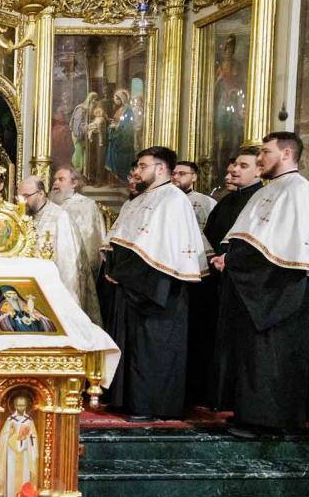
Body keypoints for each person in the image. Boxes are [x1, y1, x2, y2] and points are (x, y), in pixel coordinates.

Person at [212, 132, 309, 434]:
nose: (260, 158)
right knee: (251, 354)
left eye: (266, 152)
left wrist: (233, 261)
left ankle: (268, 421)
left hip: (276, 290)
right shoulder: (270, 190)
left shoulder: (297, 190)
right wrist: (229, 257)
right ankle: (248, 413)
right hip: (254, 287)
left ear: (286, 154)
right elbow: (247, 237)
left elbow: (284, 250)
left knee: (271, 356)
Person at [101, 146, 207, 420]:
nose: (136, 171)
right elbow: (121, 241)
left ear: (161, 169)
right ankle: (126, 400)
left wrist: (123, 273)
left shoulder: (172, 199)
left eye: (142, 166)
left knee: (152, 348)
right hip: (131, 284)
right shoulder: (140, 199)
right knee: (130, 344)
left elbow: (162, 252)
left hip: (156, 288)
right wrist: (113, 268)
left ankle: (149, 405)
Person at [192, 148, 264, 408]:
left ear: (259, 171)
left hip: (244, 283)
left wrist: (230, 259)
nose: (233, 170)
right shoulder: (225, 202)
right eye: (234, 165)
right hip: (217, 279)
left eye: (243, 166)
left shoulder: (259, 200)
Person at [18, 175, 96, 322]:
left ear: (41, 193)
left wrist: (68, 299)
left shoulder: (60, 217)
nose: (22, 202)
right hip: (29, 288)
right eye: (19, 197)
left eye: (26, 196)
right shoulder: (23, 217)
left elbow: (69, 265)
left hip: (53, 288)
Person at [51, 165, 107, 317]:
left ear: (74, 183)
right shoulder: (52, 204)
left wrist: (81, 269)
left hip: (76, 266)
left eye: (61, 179)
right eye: (55, 179)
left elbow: (91, 241)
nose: (55, 183)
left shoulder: (86, 206)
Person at [172, 160, 216, 229]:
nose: (175, 177)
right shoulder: (163, 199)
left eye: (182, 173)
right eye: (173, 173)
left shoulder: (206, 201)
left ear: (193, 177)